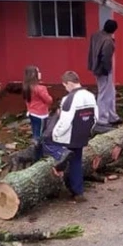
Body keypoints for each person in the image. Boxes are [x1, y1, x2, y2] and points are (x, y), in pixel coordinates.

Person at [40, 71, 98, 200]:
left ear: (70, 83)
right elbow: (95, 116)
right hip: (82, 134)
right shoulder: (90, 95)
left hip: (68, 137)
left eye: (65, 86)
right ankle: (78, 192)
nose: (65, 89)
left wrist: (55, 134)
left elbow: (65, 122)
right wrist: (88, 131)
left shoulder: (68, 99)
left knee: (45, 143)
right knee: (76, 162)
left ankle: (61, 154)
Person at [87, 19, 122, 127]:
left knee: (111, 92)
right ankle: (102, 118)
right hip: (103, 70)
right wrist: (106, 71)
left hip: (96, 67)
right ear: (114, 30)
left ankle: (112, 116)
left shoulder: (96, 35)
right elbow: (106, 58)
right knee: (103, 94)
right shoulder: (108, 41)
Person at [21, 65, 53, 151]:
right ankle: (38, 153)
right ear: (33, 74)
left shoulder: (26, 87)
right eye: (38, 72)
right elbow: (49, 100)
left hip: (32, 113)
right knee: (41, 135)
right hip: (41, 115)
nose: (40, 73)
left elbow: (27, 101)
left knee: (35, 132)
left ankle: (34, 149)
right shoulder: (41, 88)